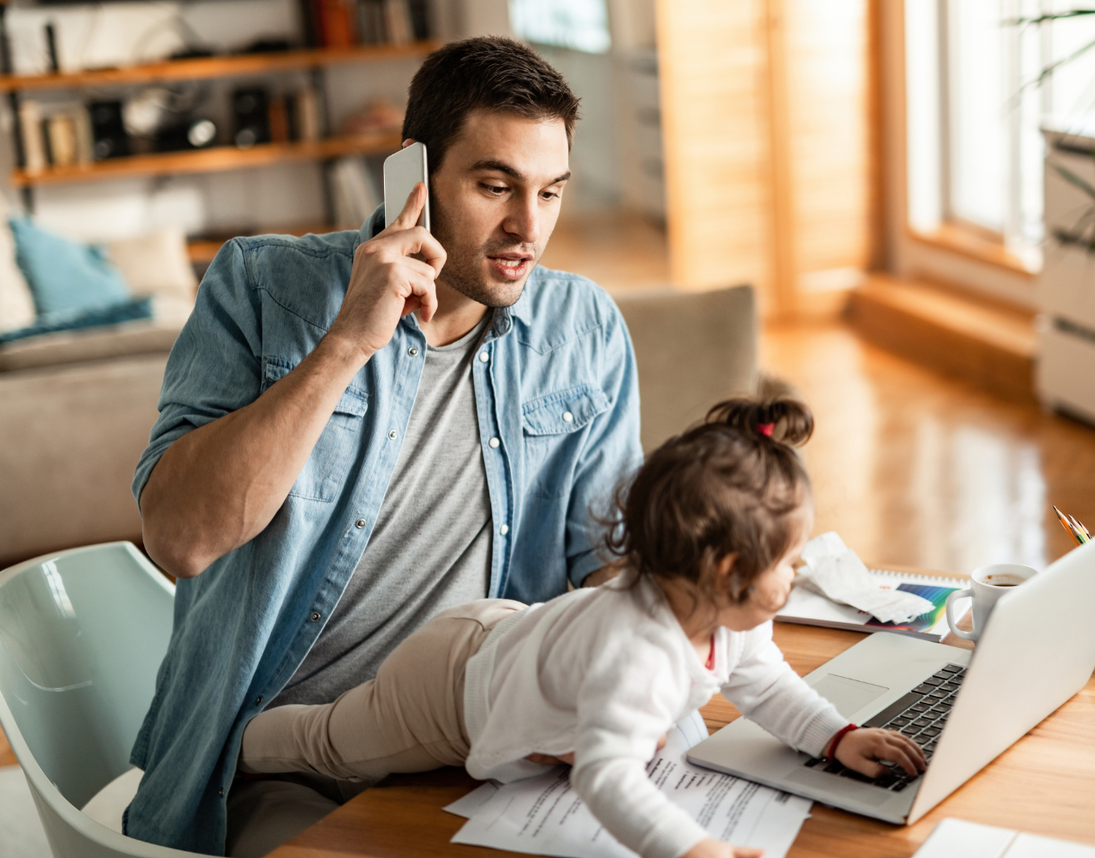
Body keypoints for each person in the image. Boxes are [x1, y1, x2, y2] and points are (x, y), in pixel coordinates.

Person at [124, 37, 641, 854]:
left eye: (551, 192)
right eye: (495, 185)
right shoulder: (261, 287)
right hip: (282, 765)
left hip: (484, 753)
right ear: (414, 177)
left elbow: (610, 566)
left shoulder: (583, 329)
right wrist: (345, 346)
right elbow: (181, 539)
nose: (527, 228)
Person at [236, 397, 927, 858]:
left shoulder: (726, 618)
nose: (800, 570)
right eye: (790, 559)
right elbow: (608, 778)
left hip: (511, 637)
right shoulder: (640, 653)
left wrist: (837, 737)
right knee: (329, 743)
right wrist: (692, 850)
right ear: (725, 570)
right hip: (444, 694)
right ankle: (229, 749)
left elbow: (765, 683)